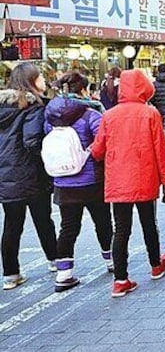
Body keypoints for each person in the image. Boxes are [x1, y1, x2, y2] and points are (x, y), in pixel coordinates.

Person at [90, 69, 165, 298]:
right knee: (149, 223)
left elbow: (98, 151)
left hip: (118, 181)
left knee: (121, 230)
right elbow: (160, 150)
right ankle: (156, 265)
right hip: (145, 179)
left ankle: (120, 279)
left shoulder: (109, 115)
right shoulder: (150, 113)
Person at [44, 71, 113, 292]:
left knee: (68, 227)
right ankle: (112, 261)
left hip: (63, 182)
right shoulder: (91, 114)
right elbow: (104, 142)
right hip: (92, 180)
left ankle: (64, 274)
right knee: (102, 221)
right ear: (83, 89)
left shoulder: (51, 116)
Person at [0, 63, 58, 290]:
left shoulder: (3, 107)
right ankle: (55, 261)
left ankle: (11, 274)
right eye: (40, 76)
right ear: (31, 81)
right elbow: (32, 141)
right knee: (43, 219)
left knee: (12, 224)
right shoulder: (33, 106)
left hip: (6, 176)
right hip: (31, 174)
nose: (44, 79)